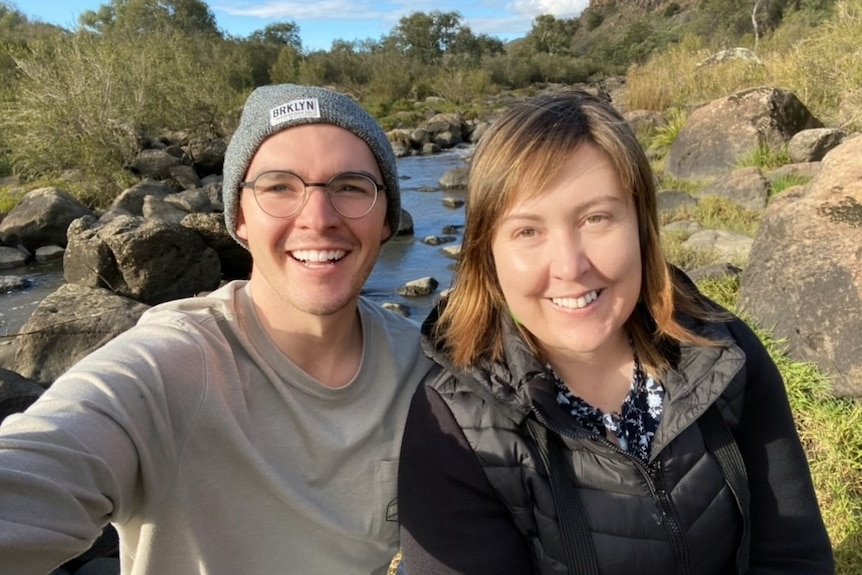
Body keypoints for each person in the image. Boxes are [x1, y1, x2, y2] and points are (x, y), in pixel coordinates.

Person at [0, 83, 433, 574]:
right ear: (239, 219)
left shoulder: (421, 370)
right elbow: (39, 463)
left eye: (351, 187)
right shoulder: (166, 368)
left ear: (387, 219)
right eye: (279, 187)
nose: (318, 218)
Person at [397, 91, 834, 574]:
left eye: (596, 218)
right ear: (488, 253)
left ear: (641, 224)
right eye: (527, 231)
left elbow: (793, 555)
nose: (569, 266)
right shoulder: (454, 422)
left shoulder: (720, 350)